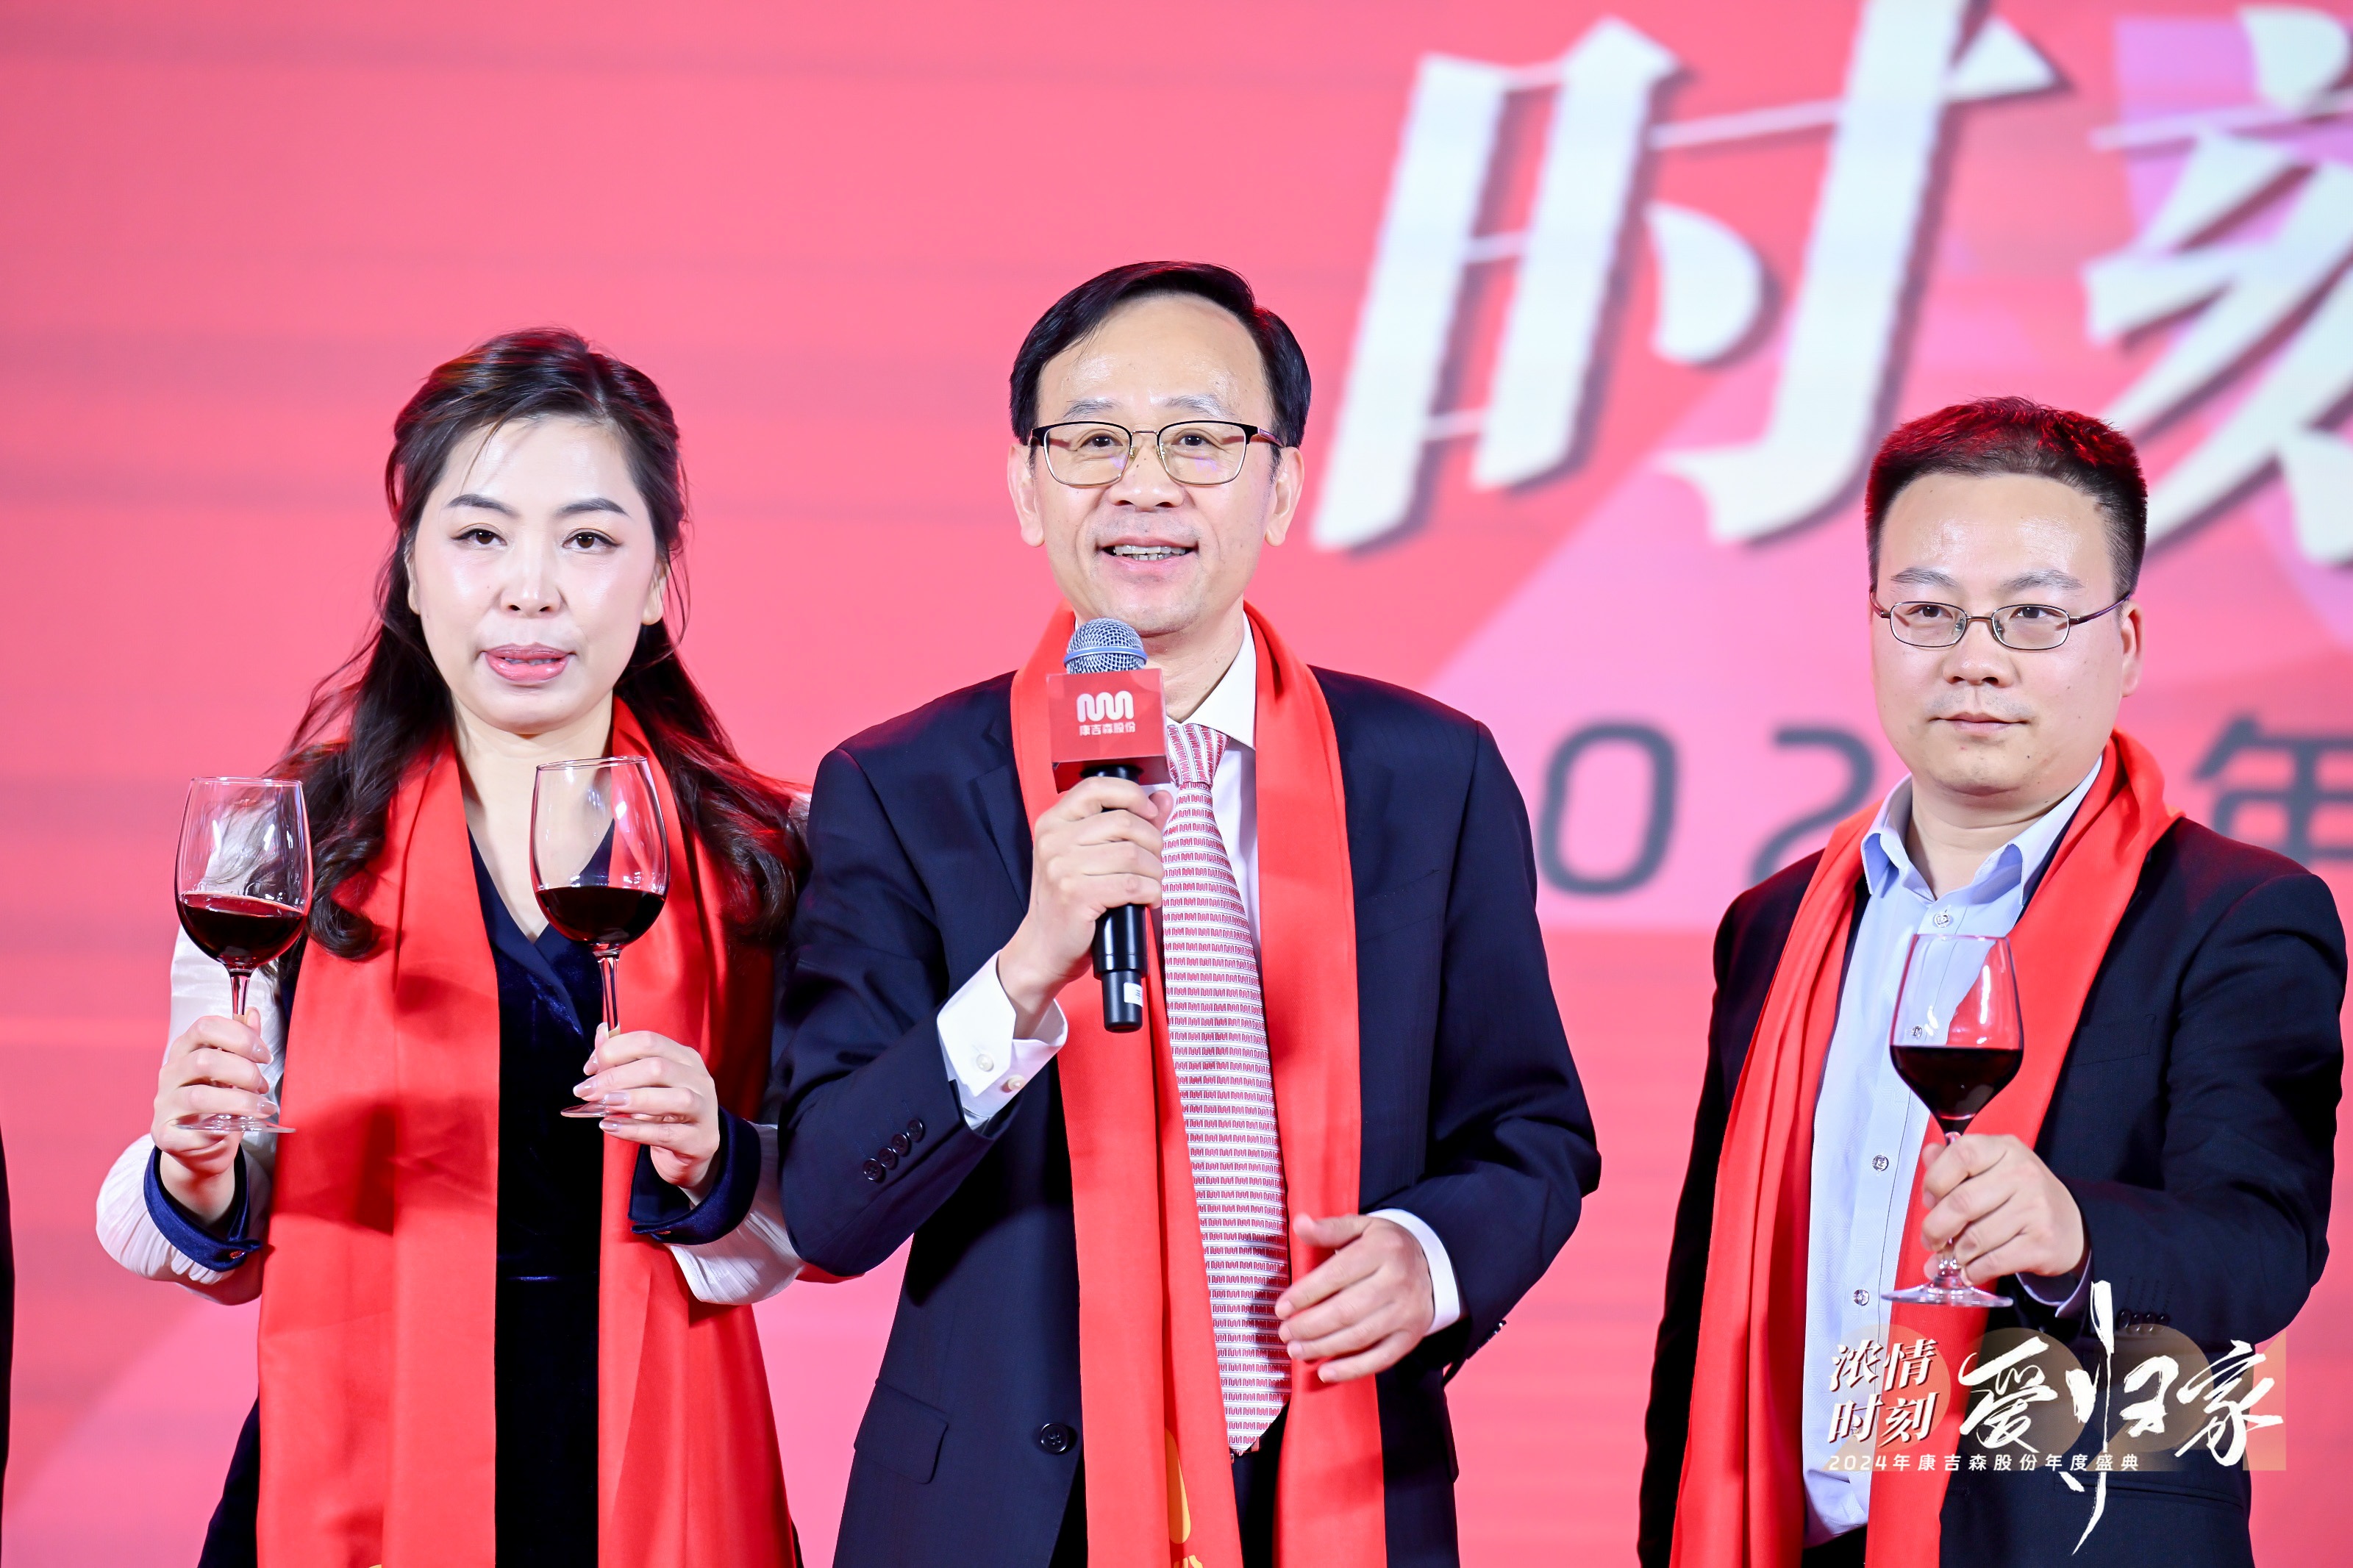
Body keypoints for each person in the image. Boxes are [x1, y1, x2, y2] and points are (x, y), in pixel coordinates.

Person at [774, 261, 1599, 1568]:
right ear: (1026, 487)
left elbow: (1530, 1130)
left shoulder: (1430, 776)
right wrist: (1021, 974)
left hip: (1334, 1485)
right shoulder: (899, 786)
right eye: (1092, 440)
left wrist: (1430, 1255)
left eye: (1200, 440)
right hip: (1007, 1516)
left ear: (1283, 486)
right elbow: (826, 1203)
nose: (1144, 485)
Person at [96, 329, 808, 1568]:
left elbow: (817, 1216)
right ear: (413, 574)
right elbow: (200, 1222)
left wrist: (716, 1155)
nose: (530, 590)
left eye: (587, 540)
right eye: (479, 536)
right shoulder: (294, 841)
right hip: (351, 1472)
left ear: (657, 579)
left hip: (653, 1469)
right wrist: (198, 1166)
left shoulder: (761, 854)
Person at [1638, 398, 2344, 1567]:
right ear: (1875, 625)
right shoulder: (1776, 924)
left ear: (2126, 643)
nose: (1976, 657)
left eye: (2034, 614)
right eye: (1928, 610)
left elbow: (2263, 1253)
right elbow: (1704, 1303)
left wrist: (2076, 1233)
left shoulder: (2236, 912)